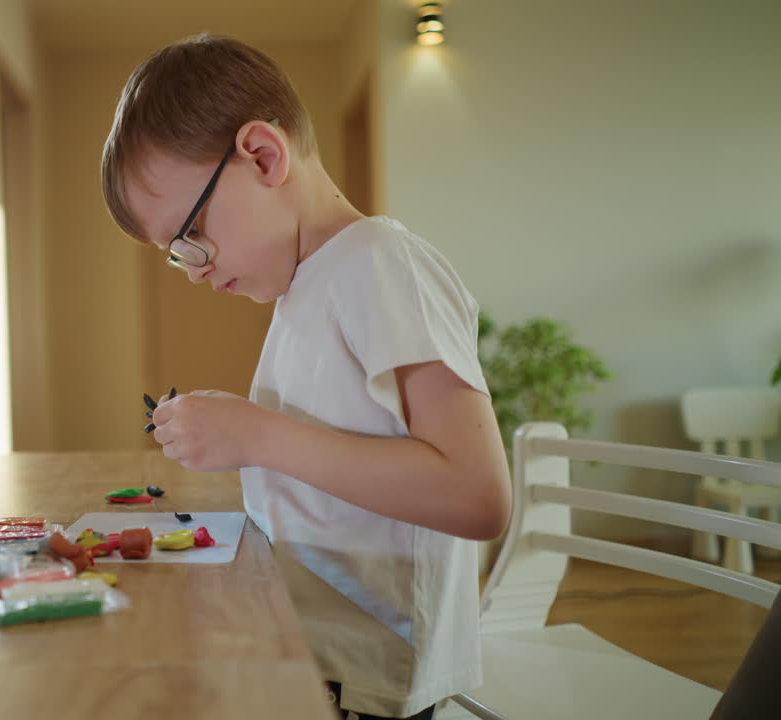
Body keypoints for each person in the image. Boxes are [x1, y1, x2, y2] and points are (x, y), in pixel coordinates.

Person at [100, 34, 511, 719]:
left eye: (192, 233)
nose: (196, 268)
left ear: (263, 156)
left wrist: (259, 436)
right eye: (178, 255)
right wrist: (236, 443)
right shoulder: (308, 287)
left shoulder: (381, 263)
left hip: (365, 675)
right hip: (306, 640)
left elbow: (478, 497)